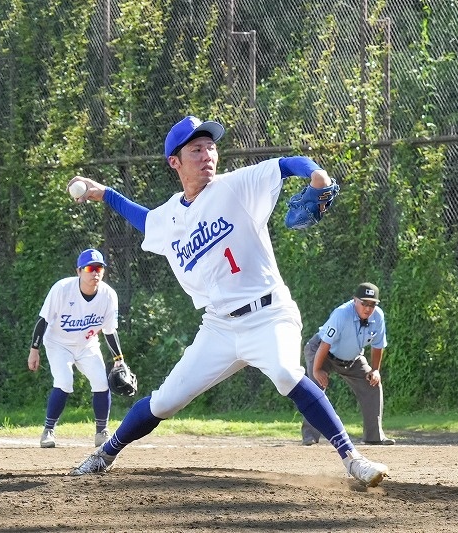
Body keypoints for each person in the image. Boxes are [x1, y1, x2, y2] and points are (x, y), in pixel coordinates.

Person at [66, 116, 389, 487]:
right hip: (218, 326)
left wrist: (318, 175)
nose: (207, 155)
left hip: (269, 314)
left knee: (286, 373)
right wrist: (105, 194)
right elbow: (146, 220)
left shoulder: (235, 186)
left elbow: (287, 164)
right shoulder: (169, 215)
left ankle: (353, 459)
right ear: (175, 161)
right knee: (164, 402)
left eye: (211, 147)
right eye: (196, 149)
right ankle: (105, 454)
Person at [27, 248, 126, 448]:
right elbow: (43, 320)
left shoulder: (108, 295)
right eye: (89, 268)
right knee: (64, 381)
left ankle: (101, 432)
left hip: (87, 345)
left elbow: (109, 331)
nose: (95, 272)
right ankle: (48, 430)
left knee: (101, 382)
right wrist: (34, 349)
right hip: (58, 343)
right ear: (79, 271)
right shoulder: (62, 289)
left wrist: (119, 360)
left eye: (99, 268)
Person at [301, 282, 396, 447]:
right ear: (355, 300)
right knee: (315, 389)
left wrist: (375, 370)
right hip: (322, 353)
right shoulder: (342, 314)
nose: (368, 308)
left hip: (352, 358)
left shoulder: (378, 317)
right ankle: (309, 436)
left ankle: (374, 436)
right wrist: (317, 370)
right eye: (364, 303)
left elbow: (378, 346)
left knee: (373, 384)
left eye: (372, 304)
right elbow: (325, 344)